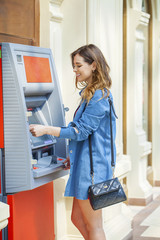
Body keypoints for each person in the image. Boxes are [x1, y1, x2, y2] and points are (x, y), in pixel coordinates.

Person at [29, 44, 117, 240]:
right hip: (86, 165)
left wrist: (45, 129)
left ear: (93, 65)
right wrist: (73, 156)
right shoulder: (91, 94)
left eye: (78, 65)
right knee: (77, 218)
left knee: (95, 226)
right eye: (74, 66)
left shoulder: (99, 96)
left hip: (93, 170)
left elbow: (80, 132)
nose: (75, 70)